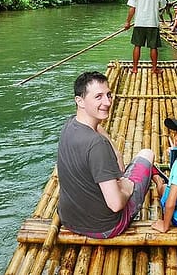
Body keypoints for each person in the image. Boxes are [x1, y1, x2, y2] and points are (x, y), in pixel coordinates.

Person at [57, 71, 157, 238]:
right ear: (79, 101)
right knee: (147, 154)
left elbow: (97, 129)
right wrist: (127, 187)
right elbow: (116, 204)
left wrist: (116, 151)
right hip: (104, 227)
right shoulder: (96, 145)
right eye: (98, 97)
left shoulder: (70, 125)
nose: (108, 102)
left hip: (69, 220)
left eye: (108, 95)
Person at [124, 0, 167, 74]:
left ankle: (134, 69)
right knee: (153, 47)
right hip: (153, 22)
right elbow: (163, 5)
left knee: (137, 45)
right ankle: (154, 68)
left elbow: (132, 8)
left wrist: (128, 22)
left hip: (139, 22)